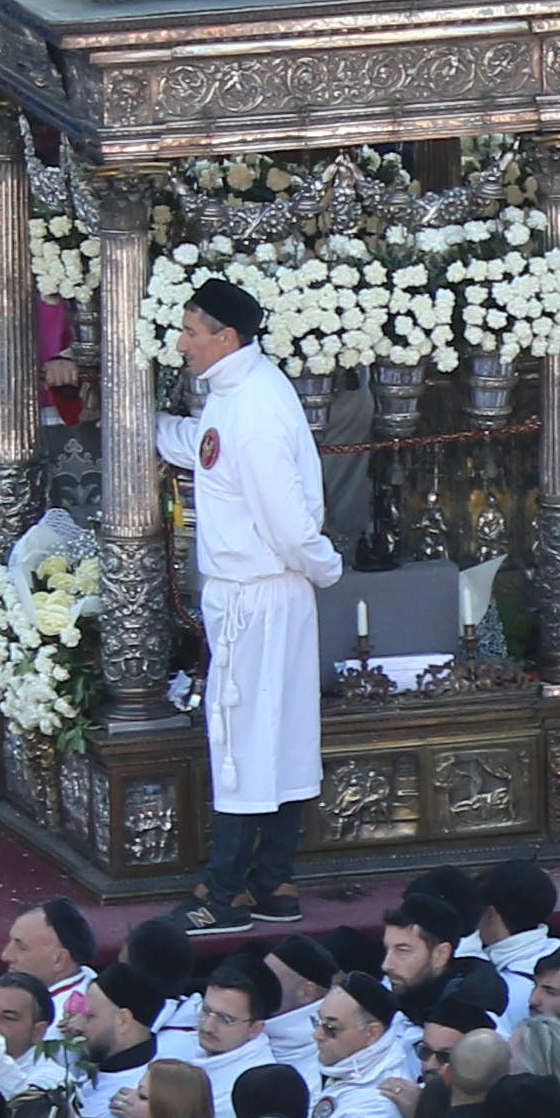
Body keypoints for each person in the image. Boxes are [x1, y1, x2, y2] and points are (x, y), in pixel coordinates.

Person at [162, 278, 337, 933]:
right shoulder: (236, 393)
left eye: (190, 332)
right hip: (263, 593)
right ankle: (273, 881)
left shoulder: (256, 405)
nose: (181, 344)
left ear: (226, 337)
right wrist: (144, 426)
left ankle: (224, 893)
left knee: (243, 741)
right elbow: (209, 451)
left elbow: (286, 520)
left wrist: (325, 567)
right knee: (279, 737)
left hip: (259, 592)